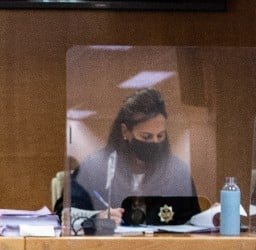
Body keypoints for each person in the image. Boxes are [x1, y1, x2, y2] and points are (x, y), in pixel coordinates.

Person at [64, 87, 196, 224]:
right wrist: (96, 218)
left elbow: (192, 219)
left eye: (160, 136)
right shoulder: (94, 168)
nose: (155, 142)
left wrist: (210, 217)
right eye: (147, 137)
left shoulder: (177, 171)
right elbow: (66, 213)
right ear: (125, 131)